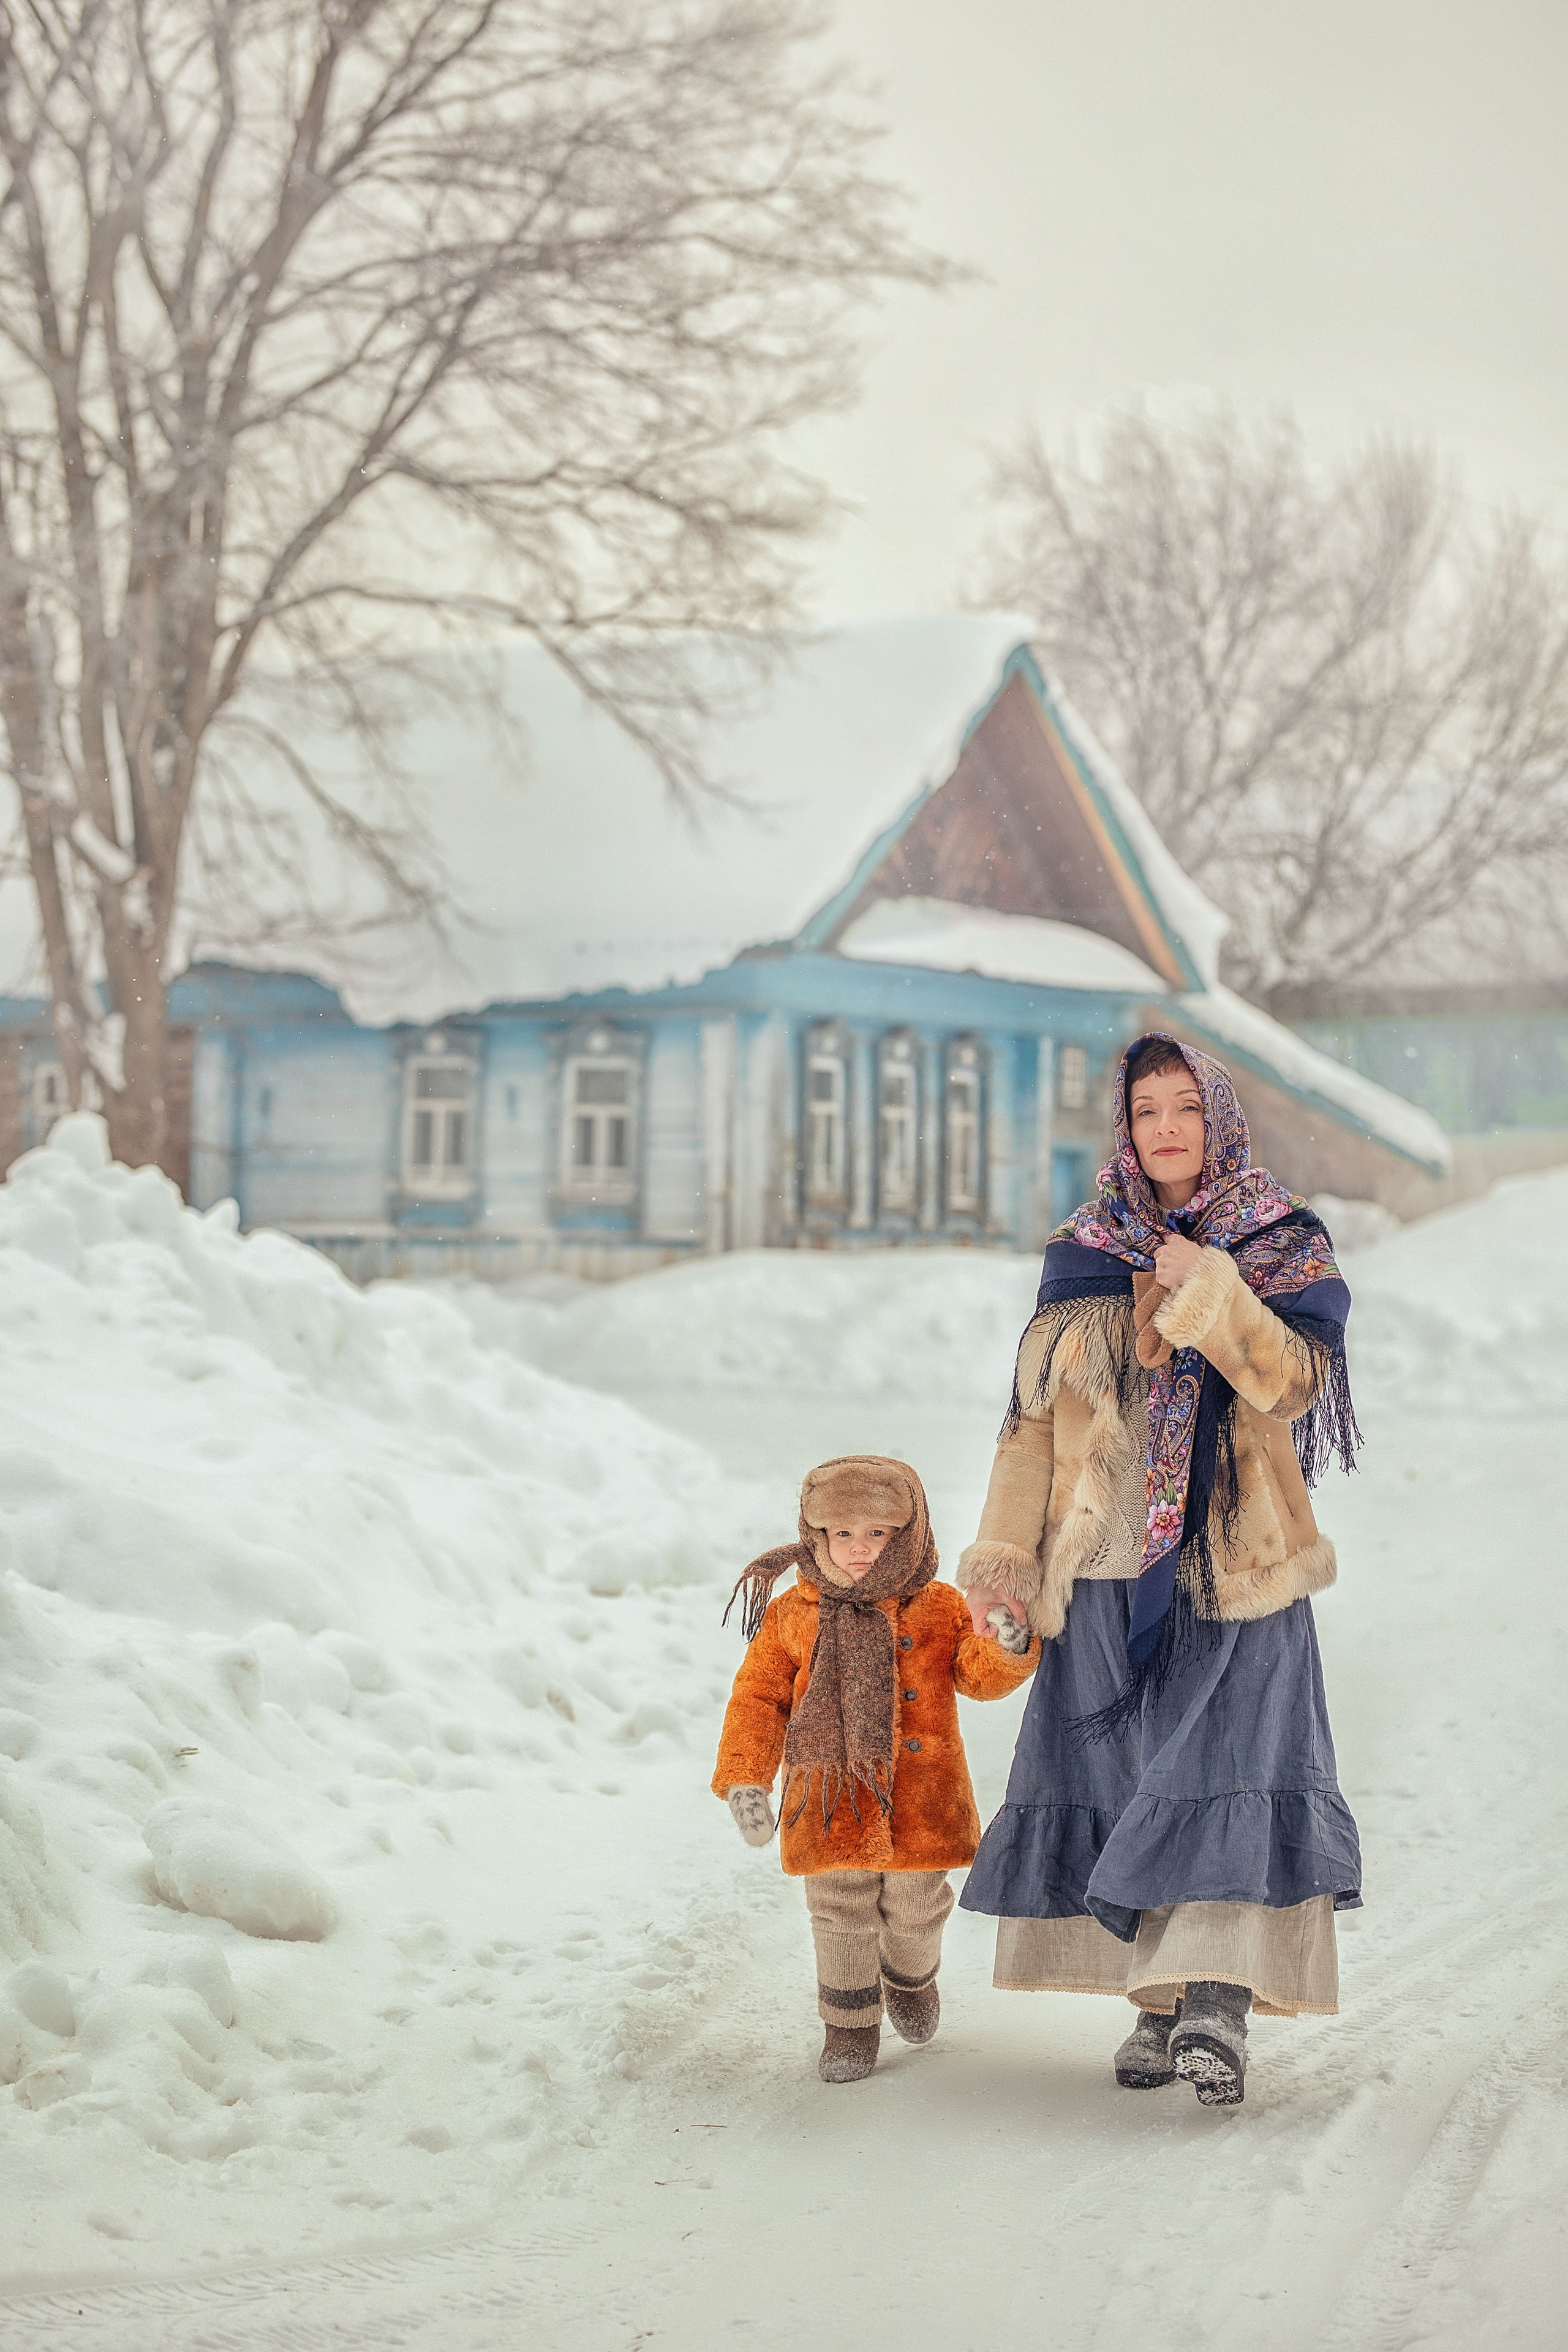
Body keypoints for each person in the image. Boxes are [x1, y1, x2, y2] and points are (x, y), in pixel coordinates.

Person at [957, 1033, 1363, 2107]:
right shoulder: (1084, 1250)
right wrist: (1004, 1562)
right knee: (1127, 1771)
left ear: (1219, 1118)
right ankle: (1156, 1998)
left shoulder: (1278, 1239)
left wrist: (1213, 1290)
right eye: (1147, 1111)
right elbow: (1033, 1429)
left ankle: (1217, 2000)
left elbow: (1290, 1387)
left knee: (1224, 1766)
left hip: (1238, 1564)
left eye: (1186, 1106)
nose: (1168, 1127)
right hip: (1104, 1564)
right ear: (1126, 1129)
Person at [713, 1455, 1039, 2082]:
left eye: (876, 1534)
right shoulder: (792, 1613)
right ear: (816, 1535)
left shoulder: (937, 1606)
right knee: (839, 1911)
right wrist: (745, 1776)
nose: (857, 1550)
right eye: (841, 1534)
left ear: (907, 1534)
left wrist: (1005, 1644)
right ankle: (849, 2027)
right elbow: (758, 1698)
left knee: (917, 1907)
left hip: (922, 1798)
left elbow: (975, 1674)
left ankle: (909, 1975)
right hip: (827, 1797)